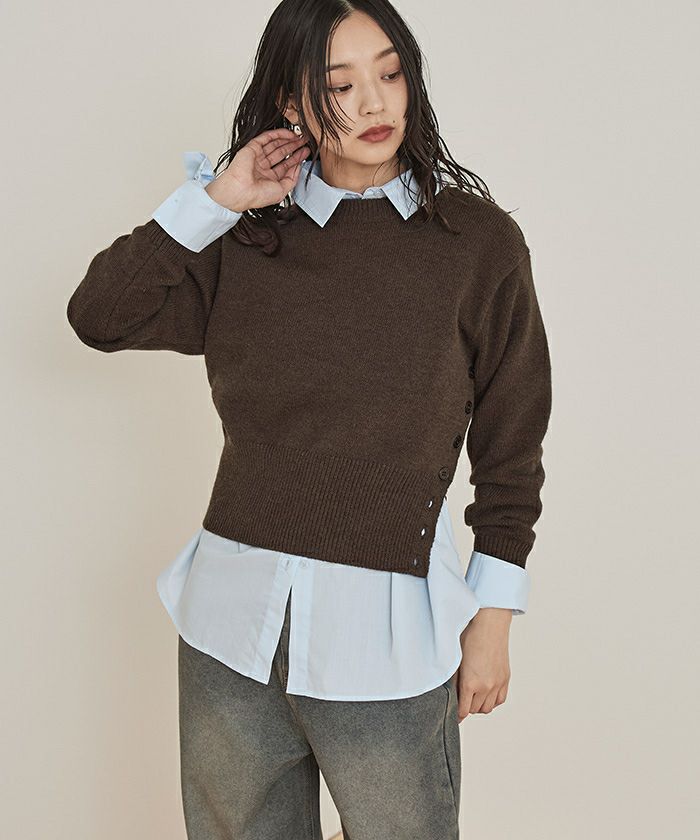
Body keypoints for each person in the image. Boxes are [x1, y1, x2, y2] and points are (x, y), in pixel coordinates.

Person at [66, 2, 552, 838]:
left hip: (385, 644)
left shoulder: (477, 244)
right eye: (340, 85)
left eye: (389, 73)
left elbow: (513, 441)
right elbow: (99, 317)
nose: (375, 103)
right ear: (291, 102)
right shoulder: (247, 238)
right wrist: (219, 197)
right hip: (229, 632)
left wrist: (494, 613)